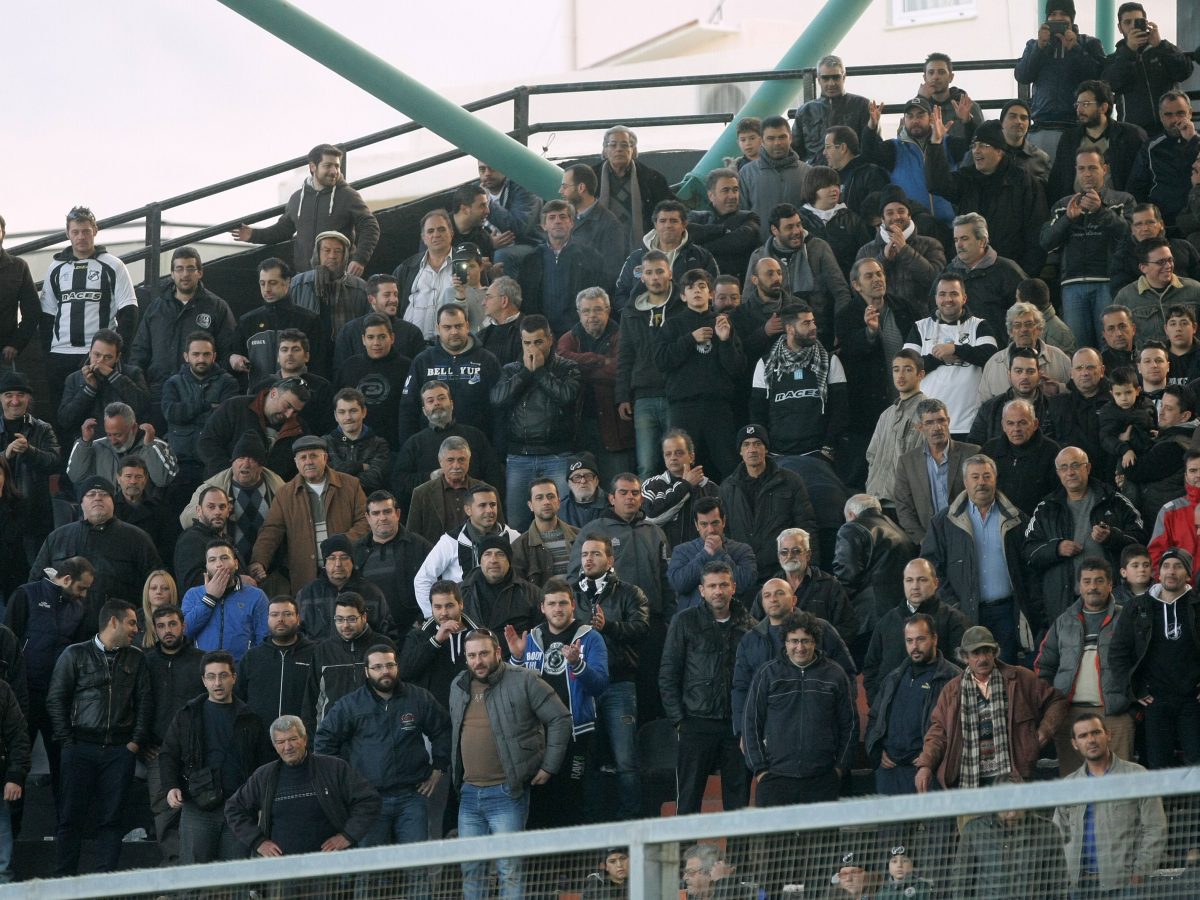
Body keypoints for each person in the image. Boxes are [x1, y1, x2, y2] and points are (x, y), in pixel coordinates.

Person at [449, 627, 572, 900]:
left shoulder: (525, 679)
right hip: (468, 794)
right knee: (471, 870)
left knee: (509, 870)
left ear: (498, 652)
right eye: (472, 656)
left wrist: (549, 766)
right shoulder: (458, 684)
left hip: (507, 792)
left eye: (483, 653)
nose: (478, 661)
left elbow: (560, 718)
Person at [315, 644, 449, 894]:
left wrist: (439, 767)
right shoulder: (351, 705)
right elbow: (324, 741)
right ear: (366, 672)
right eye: (377, 667)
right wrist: (343, 782)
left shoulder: (418, 698)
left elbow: (443, 730)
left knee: (417, 868)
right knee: (369, 872)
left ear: (397, 667)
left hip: (412, 797)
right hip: (369, 801)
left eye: (389, 665)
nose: (384, 671)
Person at [46, 599, 152, 875]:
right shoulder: (74, 654)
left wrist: (134, 743)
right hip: (80, 747)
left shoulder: (136, 658)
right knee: (70, 819)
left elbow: (145, 703)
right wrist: (67, 742)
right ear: (113, 622)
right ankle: (63, 882)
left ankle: (106, 884)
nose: (136, 629)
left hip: (119, 751)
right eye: (131, 623)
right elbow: (56, 699)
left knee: (112, 820)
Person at [506, 579, 608, 829]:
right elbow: (513, 686)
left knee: (573, 800)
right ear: (542, 607)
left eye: (563, 603)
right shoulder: (532, 637)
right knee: (539, 802)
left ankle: (576, 855)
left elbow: (600, 685)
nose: (558, 609)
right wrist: (516, 659)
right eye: (551, 604)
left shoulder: (591, 638)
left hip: (577, 733)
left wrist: (577, 664)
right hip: (537, 734)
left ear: (573, 604)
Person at [914, 626, 1067, 791]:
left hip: (1014, 776)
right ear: (965, 657)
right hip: (969, 779)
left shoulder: (1020, 678)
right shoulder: (952, 691)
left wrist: (1045, 731)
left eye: (987, 651)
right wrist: (926, 765)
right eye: (976, 653)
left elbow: (1057, 701)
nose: (983, 658)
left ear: (995, 652)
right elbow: (938, 732)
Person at [160, 650, 273, 864]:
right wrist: (171, 786)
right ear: (204, 680)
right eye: (211, 677)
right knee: (194, 876)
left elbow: (263, 765)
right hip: (197, 806)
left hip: (239, 809)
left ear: (234, 678)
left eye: (223, 675)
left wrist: (261, 805)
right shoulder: (188, 714)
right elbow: (168, 754)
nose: (217, 683)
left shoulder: (251, 718)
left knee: (234, 877)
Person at [920, 455, 1035, 663]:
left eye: (986, 476)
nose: (981, 482)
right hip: (964, 613)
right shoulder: (944, 522)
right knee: (970, 671)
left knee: (1005, 669)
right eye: (975, 477)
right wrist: (952, 604)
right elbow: (931, 567)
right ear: (965, 482)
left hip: (1006, 613)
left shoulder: (1016, 519)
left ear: (995, 479)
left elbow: (1030, 566)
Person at [659, 562, 752, 815]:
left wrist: (747, 723)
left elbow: (755, 678)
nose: (718, 591)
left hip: (735, 726)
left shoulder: (749, 624)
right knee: (688, 801)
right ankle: (686, 845)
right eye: (712, 586)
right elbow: (668, 674)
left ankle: (737, 846)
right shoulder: (684, 621)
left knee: (739, 804)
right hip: (695, 723)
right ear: (701, 590)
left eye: (723, 585)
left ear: (733, 587)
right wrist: (679, 721)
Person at [570, 535, 649, 822]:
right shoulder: (571, 594)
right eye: (584, 554)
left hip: (619, 684)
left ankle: (630, 825)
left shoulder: (631, 593)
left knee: (626, 761)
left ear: (610, 560)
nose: (588, 559)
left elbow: (642, 628)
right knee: (584, 760)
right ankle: (588, 824)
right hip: (582, 685)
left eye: (595, 554)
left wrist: (609, 627)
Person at [224, 714, 381, 858]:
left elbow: (369, 799)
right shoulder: (264, 776)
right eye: (280, 742)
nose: (287, 747)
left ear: (305, 739)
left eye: (293, 739)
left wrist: (348, 836)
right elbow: (234, 808)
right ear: (274, 745)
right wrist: (258, 842)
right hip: (282, 868)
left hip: (330, 864)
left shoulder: (334, 768)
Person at [4, 558, 93, 810]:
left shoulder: (78, 609)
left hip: (57, 697)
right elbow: (7, 642)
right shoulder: (26, 594)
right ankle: (11, 825)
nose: (84, 595)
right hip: (23, 695)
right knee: (16, 764)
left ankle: (64, 824)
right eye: (82, 588)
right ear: (67, 579)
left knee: (63, 765)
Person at [743, 610, 855, 805]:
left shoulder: (835, 675)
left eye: (806, 641)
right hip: (775, 779)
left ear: (815, 642)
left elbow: (850, 724)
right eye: (794, 641)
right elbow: (751, 723)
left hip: (822, 779)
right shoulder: (767, 674)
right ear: (785, 643)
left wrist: (839, 768)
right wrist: (760, 770)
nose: (800, 647)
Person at [40, 207, 139, 428]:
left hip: (97, 356)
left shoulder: (113, 264)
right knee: (63, 417)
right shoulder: (56, 267)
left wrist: (118, 352)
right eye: (75, 232)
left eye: (86, 231)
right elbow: (47, 315)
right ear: (67, 233)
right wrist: (48, 353)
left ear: (95, 230)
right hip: (61, 355)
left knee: (100, 415)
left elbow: (129, 311)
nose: (81, 237)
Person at [1034, 559, 1135, 773]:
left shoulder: (1126, 618)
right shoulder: (1063, 621)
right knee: (1074, 782)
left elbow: (1140, 662)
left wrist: (1131, 705)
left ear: (1110, 584)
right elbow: (1044, 665)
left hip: (1114, 713)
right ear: (1079, 586)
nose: (1092, 587)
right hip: (1070, 713)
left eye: (1099, 581)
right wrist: (1050, 704)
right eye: (1087, 581)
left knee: (1119, 781)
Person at [1052, 712, 1167, 894]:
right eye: (1083, 736)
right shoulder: (1069, 785)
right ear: (1075, 744)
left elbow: (1156, 827)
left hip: (1124, 883)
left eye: (1096, 732)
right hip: (1080, 885)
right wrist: (1064, 877)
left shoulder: (1137, 776)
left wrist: (1140, 873)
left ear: (1108, 735)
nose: (1091, 740)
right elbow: (1057, 835)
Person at [1024, 448, 1145, 619]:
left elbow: (1141, 540)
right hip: (1065, 603)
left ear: (1087, 468)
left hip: (1113, 600)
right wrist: (1057, 548)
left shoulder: (1114, 500)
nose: (1070, 472)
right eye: (1064, 467)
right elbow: (1028, 552)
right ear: (1058, 473)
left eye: (1075, 465)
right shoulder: (1046, 508)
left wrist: (1112, 537)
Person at [1109, 547, 1200, 768]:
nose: (1171, 571)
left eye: (1178, 566)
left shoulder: (1197, 604)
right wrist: (1133, 688)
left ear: (1188, 574)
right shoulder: (1137, 607)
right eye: (1166, 566)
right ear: (1158, 572)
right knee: (1158, 765)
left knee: (1197, 763)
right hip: (1155, 700)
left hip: (1192, 700)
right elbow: (1118, 653)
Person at [231, 143, 379, 276]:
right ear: (313, 167)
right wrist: (253, 235)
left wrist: (359, 259)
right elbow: (282, 230)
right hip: (304, 278)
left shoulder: (348, 195)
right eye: (328, 165)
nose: (334, 171)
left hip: (339, 278)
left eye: (337, 166)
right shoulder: (297, 198)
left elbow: (370, 226)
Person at [491, 314, 580, 531]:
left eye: (538, 342)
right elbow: (497, 399)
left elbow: (567, 396)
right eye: (527, 343)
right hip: (519, 456)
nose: (532, 348)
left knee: (562, 523)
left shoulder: (567, 367)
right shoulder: (512, 369)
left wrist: (540, 372)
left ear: (550, 339)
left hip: (557, 455)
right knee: (516, 524)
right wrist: (525, 373)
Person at [249, 434, 369, 594]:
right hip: (306, 576)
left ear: (325, 458)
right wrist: (259, 560)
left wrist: (342, 543)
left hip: (346, 572)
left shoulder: (350, 485)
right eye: (303, 457)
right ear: (296, 462)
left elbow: (365, 521)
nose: (308, 462)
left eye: (313, 456)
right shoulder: (285, 493)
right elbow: (271, 531)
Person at [655, 269, 745, 479]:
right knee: (681, 467)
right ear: (683, 295)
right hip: (684, 407)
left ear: (711, 294)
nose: (696, 291)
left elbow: (737, 368)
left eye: (702, 286)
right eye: (690, 287)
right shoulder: (673, 325)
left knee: (729, 466)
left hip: (718, 407)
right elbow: (661, 361)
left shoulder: (723, 323)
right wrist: (689, 339)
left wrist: (726, 341)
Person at [1042, 149, 1135, 349]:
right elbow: (1046, 241)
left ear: (1105, 169)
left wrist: (1100, 211)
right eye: (1082, 169)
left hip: (1109, 282)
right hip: (1071, 284)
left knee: (1113, 346)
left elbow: (1131, 236)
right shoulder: (1063, 205)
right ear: (1076, 170)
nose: (1087, 174)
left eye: (1092, 168)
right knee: (1079, 350)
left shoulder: (1123, 201)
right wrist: (1068, 219)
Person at [30, 475, 160, 614]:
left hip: (118, 622)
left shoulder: (137, 538)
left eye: (104, 494)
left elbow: (156, 582)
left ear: (113, 502)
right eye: (91, 494)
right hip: (63, 622)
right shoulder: (57, 537)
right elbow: (36, 581)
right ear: (81, 503)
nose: (98, 498)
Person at [130, 247, 236, 416]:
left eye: (190, 268)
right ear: (172, 274)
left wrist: (212, 387)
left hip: (200, 395)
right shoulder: (156, 308)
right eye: (179, 269)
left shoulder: (217, 307)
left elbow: (227, 351)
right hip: (157, 392)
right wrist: (141, 385)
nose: (185, 274)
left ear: (200, 273)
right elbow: (139, 351)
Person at [864, 613, 962, 795]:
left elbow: (957, 729)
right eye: (909, 641)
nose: (914, 647)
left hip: (929, 774)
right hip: (890, 773)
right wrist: (877, 751)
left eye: (920, 639)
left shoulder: (953, 679)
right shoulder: (893, 678)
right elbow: (875, 717)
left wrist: (929, 760)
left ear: (934, 639)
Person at [863, 558, 971, 704]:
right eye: (909, 580)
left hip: (937, 709)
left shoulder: (954, 620)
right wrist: (878, 704)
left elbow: (965, 669)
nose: (915, 586)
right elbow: (871, 668)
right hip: (892, 709)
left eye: (922, 580)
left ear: (936, 583)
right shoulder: (886, 622)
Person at [903, 273, 998, 438]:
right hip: (928, 425)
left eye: (954, 294)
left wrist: (956, 349)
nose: (948, 299)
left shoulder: (979, 325)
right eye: (942, 294)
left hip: (969, 424)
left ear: (964, 298)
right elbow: (906, 368)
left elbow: (990, 356)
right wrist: (938, 358)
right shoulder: (920, 327)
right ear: (935, 299)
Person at [556, 287, 635, 483]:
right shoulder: (569, 338)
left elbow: (619, 371)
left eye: (598, 309)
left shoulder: (622, 335)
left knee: (617, 483)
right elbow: (561, 364)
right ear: (579, 313)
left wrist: (581, 370)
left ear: (608, 311)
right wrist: (599, 360)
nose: (592, 315)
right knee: (584, 486)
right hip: (579, 426)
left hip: (615, 426)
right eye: (586, 311)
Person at [750, 300, 846, 462]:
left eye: (813, 321)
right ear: (790, 329)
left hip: (817, 453)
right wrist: (765, 449)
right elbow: (757, 412)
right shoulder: (765, 364)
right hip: (777, 453)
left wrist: (828, 448)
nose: (813, 327)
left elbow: (840, 410)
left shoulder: (830, 361)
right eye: (806, 323)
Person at [744, 203, 850, 349]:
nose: (797, 231)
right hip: (774, 337)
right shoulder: (759, 257)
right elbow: (747, 300)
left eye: (798, 225)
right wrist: (763, 330)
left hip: (817, 332)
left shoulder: (818, 248)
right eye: (789, 227)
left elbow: (841, 292)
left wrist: (841, 329)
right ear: (775, 230)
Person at [398, 304, 501, 445]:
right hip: (430, 445)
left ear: (467, 326)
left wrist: (497, 450)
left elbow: (498, 410)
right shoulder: (423, 361)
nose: (454, 332)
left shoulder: (487, 360)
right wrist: (408, 448)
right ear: (438, 328)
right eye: (447, 327)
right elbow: (408, 408)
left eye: (458, 326)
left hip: (476, 444)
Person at [615, 250, 678, 479]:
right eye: (649, 272)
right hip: (643, 397)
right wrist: (622, 395)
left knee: (678, 463)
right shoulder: (630, 312)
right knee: (646, 466)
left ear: (670, 273)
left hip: (676, 394)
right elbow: (625, 355)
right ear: (642, 277)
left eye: (660, 271)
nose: (655, 277)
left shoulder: (683, 306)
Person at [392, 379, 503, 509]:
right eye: (430, 401)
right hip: (431, 510)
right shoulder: (414, 443)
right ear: (424, 410)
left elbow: (495, 476)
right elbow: (399, 483)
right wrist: (430, 477)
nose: (437, 403)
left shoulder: (475, 436)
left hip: (472, 510)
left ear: (451, 404)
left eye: (441, 398)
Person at [413, 482, 521, 615]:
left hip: (507, 614)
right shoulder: (450, 541)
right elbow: (423, 579)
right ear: (468, 510)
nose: (489, 510)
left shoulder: (513, 537)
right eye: (482, 505)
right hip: (463, 619)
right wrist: (435, 617)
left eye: (493, 505)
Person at [950, 790, 1070, 899]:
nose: (1012, 813)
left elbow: (1058, 884)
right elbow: (961, 882)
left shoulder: (1047, 831)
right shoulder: (975, 830)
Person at [893, 398, 981, 542]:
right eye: (929, 423)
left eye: (941, 420)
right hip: (929, 539)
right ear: (920, 427)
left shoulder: (972, 453)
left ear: (948, 421)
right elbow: (904, 508)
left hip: (968, 536)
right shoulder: (907, 462)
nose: (937, 427)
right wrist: (923, 540)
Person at [161, 332, 240, 492]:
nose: (201, 359)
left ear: (214, 356)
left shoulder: (228, 382)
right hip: (180, 464)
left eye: (206, 354)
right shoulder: (173, 383)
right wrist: (207, 406)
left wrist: (187, 414)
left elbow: (226, 420)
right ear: (186, 356)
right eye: (196, 354)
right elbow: (172, 413)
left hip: (215, 463)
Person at [516, 200, 607, 337]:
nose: (557, 221)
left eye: (563, 217)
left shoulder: (591, 257)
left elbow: (599, 296)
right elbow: (526, 302)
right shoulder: (530, 260)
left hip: (579, 332)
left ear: (571, 223)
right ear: (544, 225)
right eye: (552, 217)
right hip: (542, 333)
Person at [1014, 0, 1106, 137]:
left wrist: (1075, 48)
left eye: (1063, 14)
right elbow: (1022, 76)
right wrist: (1039, 48)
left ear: (1071, 19)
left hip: (1079, 123)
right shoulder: (1034, 45)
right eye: (1053, 14)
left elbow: (1099, 77)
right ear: (1047, 18)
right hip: (1042, 123)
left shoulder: (1089, 43)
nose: (1058, 18)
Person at [832, 494, 917, 640]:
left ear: (851, 514)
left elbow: (847, 575)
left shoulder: (852, 528)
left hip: (868, 615)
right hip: (902, 611)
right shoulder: (898, 529)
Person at [611, 200, 718, 313]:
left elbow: (714, 293)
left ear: (684, 225)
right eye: (662, 221)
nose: (668, 225)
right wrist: (635, 317)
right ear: (655, 224)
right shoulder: (636, 258)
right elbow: (620, 295)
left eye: (673, 221)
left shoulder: (702, 257)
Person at [1103, 5, 1195, 135]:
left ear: (1146, 23)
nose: (1133, 26)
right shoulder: (1114, 59)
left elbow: (1184, 72)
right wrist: (1129, 52)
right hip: (1133, 132)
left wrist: (1160, 45)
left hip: (1171, 127)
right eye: (1127, 22)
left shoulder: (1162, 48)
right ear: (1120, 27)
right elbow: (1112, 84)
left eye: (1138, 21)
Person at [229, 258, 322, 384]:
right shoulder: (247, 321)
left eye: (272, 283)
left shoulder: (309, 320)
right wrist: (233, 358)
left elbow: (319, 366)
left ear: (287, 282)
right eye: (262, 283)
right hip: (258, 394)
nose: (267, 289)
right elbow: (232, 355)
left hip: (298, 393)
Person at [199, 377, 310, 480]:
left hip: (274, 490)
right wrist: (231, 476)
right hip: (223, 483)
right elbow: (207, 443)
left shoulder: (300, 428)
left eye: (295, 411)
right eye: (287, 406)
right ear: (273, 393)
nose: (288, 414)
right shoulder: (234, 407)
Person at [0, 369, 61, 555]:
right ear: (1, 398)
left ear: (28, 398)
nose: (15, 401)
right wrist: (5, 456)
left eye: (20, 395)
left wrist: (29, 451)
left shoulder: (43, 429)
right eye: (8, 395)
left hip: (34, 517)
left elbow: (55, 462)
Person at [333, 315, 412, 455]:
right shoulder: (349, 367)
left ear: (392, 338)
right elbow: (337, 407)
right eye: (370, 337)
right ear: (363, 339)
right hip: (354, 447)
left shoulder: (408, 367)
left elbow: (412, 409)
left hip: (395, 447)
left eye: (382, 337)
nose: (376, 343)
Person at [181, 539, 270, 662]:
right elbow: (183, 632)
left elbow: (264, 639)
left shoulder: (257, 596)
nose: (219, 564)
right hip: (204, 668)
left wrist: (250, 666)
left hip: (241, 668)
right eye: (212, 560)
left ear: (236, 564)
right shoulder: (193, 595)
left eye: (224, 558)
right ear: (206, 567)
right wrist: (210, 598)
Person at [592, 126, 676, 254]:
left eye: (624, 145)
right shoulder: (591, 177)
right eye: (613, 145)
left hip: (645, 247)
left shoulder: (652, 179)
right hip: (599, 248)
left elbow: (671, 210)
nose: (619, 149)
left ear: (634, 150)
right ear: (605, 150)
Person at [296, 534, 396, 643]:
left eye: (344, 558)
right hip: (319, 653)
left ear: (352, 562)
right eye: (332, 558)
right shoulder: (308, 594)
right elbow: (297, 634)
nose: (338, 564)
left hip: (362, 653)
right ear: (325, 563)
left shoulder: (371, 592)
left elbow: (387, 634)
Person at [235, 596, 315, 730]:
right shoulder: (252, 657)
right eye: (274, 614)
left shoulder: (315, 653)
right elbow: (238, 698)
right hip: (259, 736)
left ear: (298, 618)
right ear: (267, 619)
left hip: (301, 736)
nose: (280, 619)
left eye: (287, 614)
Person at [56, 328, 150, 443]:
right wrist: (89, 390)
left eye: (108, 357)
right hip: (89, 443)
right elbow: (65, 420)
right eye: (97, 355)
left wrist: (113, 375)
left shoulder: (132, 373)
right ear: (90, 352)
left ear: (117, 357)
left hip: (125, 443)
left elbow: (143, 407)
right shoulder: (74, 378)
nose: (100, 361)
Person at [66, 400, 178, 493]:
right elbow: (75, 477)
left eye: (117, 435)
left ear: (134, 428)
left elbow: (163, 480)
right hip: (108, 511)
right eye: (109, 434)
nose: (113, 441)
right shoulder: (96, 446)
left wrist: (149, 446)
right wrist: (84, 443)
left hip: (144, 511)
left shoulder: (158, 446)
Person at [668, 497, 757, 613]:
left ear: (723, 521)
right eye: (704, 524)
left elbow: (745, 585)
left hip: (733, 619)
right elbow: (678, 585)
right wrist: (705, 554)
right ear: (696, 525)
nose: (710, 530)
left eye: (715, 523)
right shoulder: (682, 551)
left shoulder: (742, 550)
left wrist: (720, 553)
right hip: (693, 620)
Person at [288, 231, 370, 355]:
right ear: (318, 253)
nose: (332, 256)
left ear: (345, 255)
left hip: (347, 354)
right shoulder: (298, 284)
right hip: (307, 353)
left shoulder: (360, 287)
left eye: (338, 251)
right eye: (326, 250)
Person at [405, 436, 496, 547]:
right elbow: (412, 537)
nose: (456, 466)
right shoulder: (421, 493)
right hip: (434, 554)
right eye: (450, 460)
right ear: (440, 461)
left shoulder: (488, 492)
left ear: (469, 461)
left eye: (461, 460)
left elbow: (498, 531)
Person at [1126, 91, 1200, 228]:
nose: (1175, 120)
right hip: (1163, 222)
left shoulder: (1197, 142)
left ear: (1190, 113)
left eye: (1180, 113)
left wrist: (1192, 139)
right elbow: (1136, 188)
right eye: (1168, 115)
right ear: (1161, 117)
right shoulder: (1150, 147)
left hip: (1196, 221)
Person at [864, 350, 927, 507]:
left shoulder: (928, 413)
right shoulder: (886, 414)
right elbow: (871, 455)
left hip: (907, 503)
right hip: (876, 499)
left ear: (920, 375)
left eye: (908, 369)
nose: (900, 375)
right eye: (896, 369)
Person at [979, 399, 1062, 518]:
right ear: (1003, 425)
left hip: (1038, 521)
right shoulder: (990, 449)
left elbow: (1058, 495)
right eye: (1010, 423)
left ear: (1035, 424)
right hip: (996, 519)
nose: (1016, 429)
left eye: (1022, 423)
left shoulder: (1052, 451)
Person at [641, 429, 721, 550]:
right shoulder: (651, 485)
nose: (673, 458)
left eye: (679, 453)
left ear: (691, 456)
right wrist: (686, 485)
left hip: (704, 555)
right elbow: (650, 520)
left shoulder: (711, 488)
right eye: (668, 454)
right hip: (667, 558)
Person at [977, 302, 1073, 402]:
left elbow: (1076, 396)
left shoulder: (1059, 359)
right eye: (1017, 325)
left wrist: (1059, 388)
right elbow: (982, 406)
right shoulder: (994, 364)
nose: (1023, 329)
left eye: (1028, 324)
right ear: (1011, 331)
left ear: (1039, 329)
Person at [1112, 238, 1200, 345]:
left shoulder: (1195, 290)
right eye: (1160, 262)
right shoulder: (1125, 297)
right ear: (1143, 268)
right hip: (1146, 355)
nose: (1168, 266)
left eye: (1170, 260)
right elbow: (1116, 338)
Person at [332, 273, 426, 372]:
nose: (394, 300)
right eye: (387, 295)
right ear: (371, 299)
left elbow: (420, 372)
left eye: (395, 294)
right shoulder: (349, 331)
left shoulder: (411, 333)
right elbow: (340, 372)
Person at [739, 117, 811, 240]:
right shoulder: (747, 173)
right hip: (760, 246)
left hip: (800, 245)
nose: (777, 143)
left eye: (782, 137)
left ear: (790, 138)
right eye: (771, 138)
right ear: (762, 141)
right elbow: (741, 215)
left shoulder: (807, 172)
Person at [791, 55, 870, 165]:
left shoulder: (861, 105)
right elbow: (795, 150)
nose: (831, 83)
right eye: (826, 78)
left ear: (844, 77)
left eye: (836, 77)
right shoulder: (805, 111)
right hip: (815, 171)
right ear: (819, 79)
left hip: (852, 170)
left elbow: (871, 146)